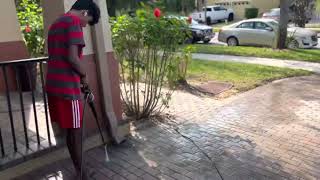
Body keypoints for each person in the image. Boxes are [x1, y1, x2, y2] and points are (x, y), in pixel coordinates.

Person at [45, 0, 100, 179]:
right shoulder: (73, 22)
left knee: (70, 130)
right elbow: (73, 58)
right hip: (68, 88)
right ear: (84, 12)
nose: (84, 27)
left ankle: (79, 169)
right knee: (76, 132)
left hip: (54, 86)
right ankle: (82, 172)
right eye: (87, 22)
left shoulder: (56, 23)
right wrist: (85, 78)